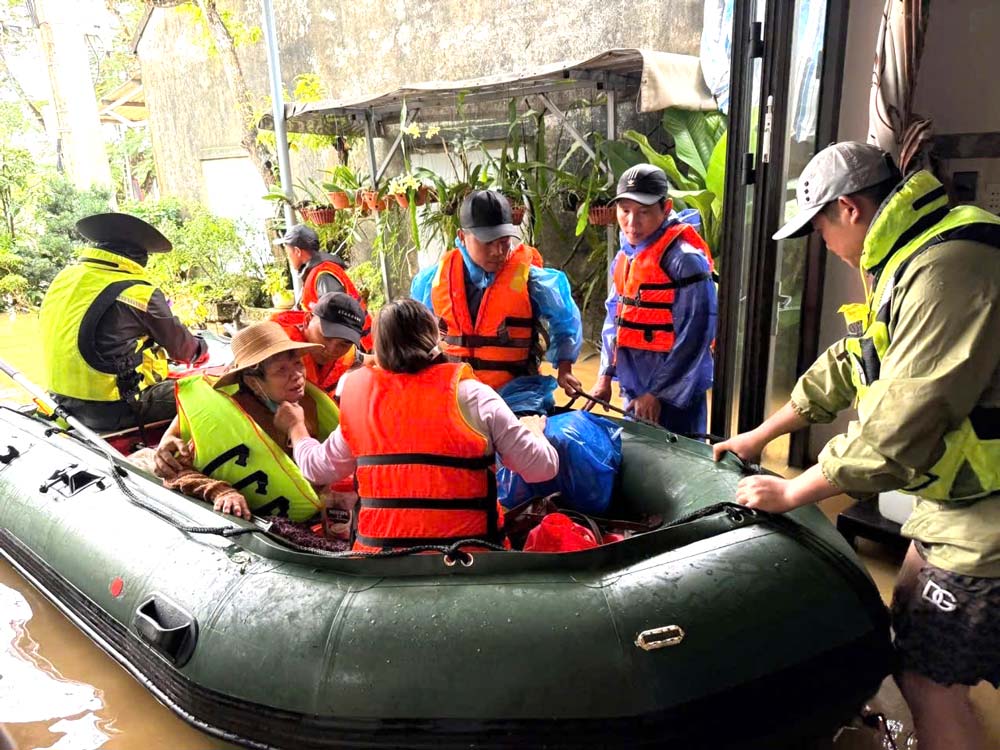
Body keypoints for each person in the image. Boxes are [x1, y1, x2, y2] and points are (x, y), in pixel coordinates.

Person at [712, 141, 1000, 750]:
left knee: (926, 682)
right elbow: (851, 363)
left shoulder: (948, 267)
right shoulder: (907, 257)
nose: (823, 244)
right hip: (951, 508)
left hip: (988, 518)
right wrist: (760, 433)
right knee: (911, 619)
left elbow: (900, 425)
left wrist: (793, 489)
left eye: (818, 229)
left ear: (848, 209)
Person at [276, 298, 559, 552]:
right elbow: (542, 469)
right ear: (436, 338)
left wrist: (296, 427)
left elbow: (315, 468)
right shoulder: (474, 395)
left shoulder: (356, 398)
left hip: (382, 560)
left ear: (378, 351)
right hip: (469, 556)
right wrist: (534, 431)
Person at [154, 321, 339, 521]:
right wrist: (221, 492)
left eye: (298, 364)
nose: (297, 376)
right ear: (253, 382)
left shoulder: (307, 402)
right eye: (281, 371)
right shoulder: (229, 416)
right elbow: (175, 473)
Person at [39, 212, 207, 433]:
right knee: (210, 391)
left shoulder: (63, 279)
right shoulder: (139, 292)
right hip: (113, 409)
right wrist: (201, 347)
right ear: (139, 257)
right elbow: (184, 352)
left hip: (60, 402)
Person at [410, 190, 584, 399]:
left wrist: (565, 370)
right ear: (462, 237)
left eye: (503, 241)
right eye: (487, 242)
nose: (497, 251)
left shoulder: (531, 280)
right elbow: (413, 334)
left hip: (515, 396)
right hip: (454, 392)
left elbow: (566, 321)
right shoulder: (432, 281)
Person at [586, 164, 717, 435]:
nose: (632, 223)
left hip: (677, 395)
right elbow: (615, 318)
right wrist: (605, 376)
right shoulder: (626, 256)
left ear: (666, 208)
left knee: (680, 464)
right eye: (625, 211)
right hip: (635, 390)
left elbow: (695, 335)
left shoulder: (685, 259)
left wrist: (659, 394)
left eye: (644, 212)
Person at [276, 224, 372, 342]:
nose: (288, 258)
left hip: (355, 344)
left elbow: (336, 319)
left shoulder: (323, 274)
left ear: (297, 251)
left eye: (288, 252)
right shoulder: (315, 272)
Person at [270, 292, 366, 397]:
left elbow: (363, 358)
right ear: (307, 320)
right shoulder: (273, 349)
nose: (332, 350)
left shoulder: (347, 353)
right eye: (327, 337)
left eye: (344, 344)